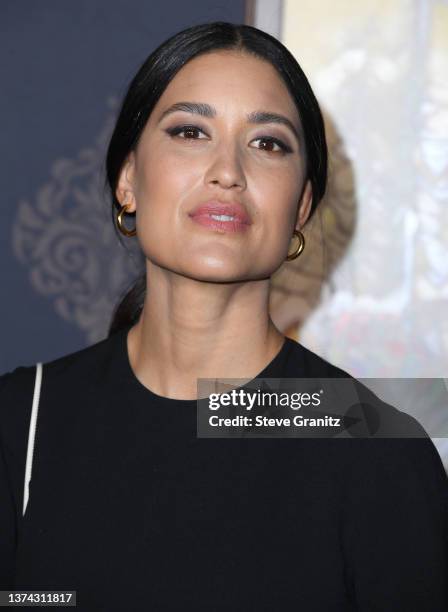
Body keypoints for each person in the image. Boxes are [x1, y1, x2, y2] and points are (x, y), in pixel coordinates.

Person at [1, 21, 447, 611]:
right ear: (128, 179)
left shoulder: (378, 452)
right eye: (190, 131)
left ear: (302, 206)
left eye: (268, 143)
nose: (228, 170)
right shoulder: (21, 420)